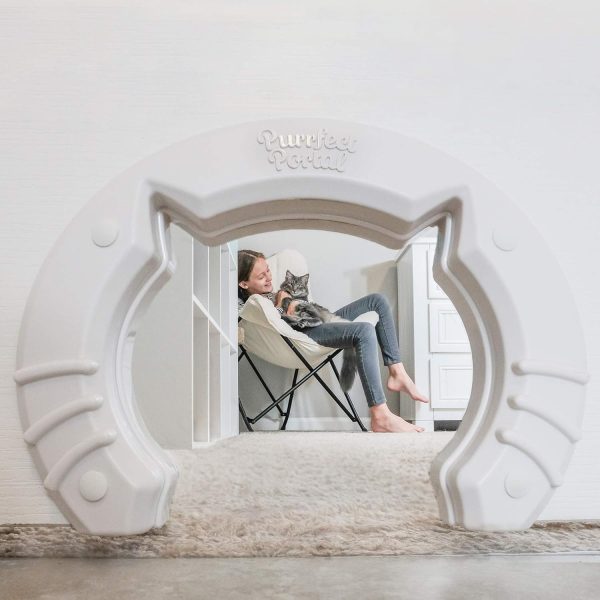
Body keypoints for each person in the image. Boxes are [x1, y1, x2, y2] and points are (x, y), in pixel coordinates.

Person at [237, 249, 430, 433]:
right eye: (261, 276)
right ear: (244, 284)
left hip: (318, 321)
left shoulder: (270, 292)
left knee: (377, 301)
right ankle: (380, 415)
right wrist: (281, 302)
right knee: (364, 331)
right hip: (307, 335)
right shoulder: (252, 304)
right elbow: (277, 323)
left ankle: (397, 372)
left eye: (268, 270)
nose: (269, 277)